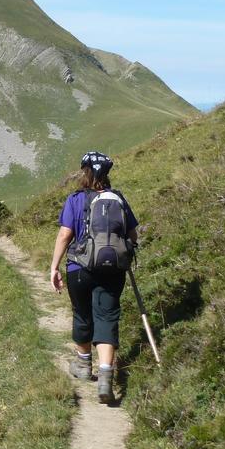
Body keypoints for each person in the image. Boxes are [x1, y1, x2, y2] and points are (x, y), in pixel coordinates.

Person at [49, 151, 138, 404]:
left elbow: (65, 235)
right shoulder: (118, 199)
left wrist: (54, 267)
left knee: (82, 313)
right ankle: (106, 377)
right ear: (107, 173)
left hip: (79, 268)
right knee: (107, 316)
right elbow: (133, 236)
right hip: (112, 269)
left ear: (84, 172)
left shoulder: (75, 199)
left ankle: (83, 365)